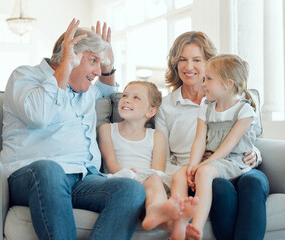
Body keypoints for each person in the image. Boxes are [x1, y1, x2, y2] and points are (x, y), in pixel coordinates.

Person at [0, 19, 145, 240]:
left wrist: (108, 67)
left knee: (131, 190)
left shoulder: (85, 90)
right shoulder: (25, 76)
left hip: (83, 178)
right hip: (33, 177)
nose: (97, 71)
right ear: (70, 56)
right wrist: (64, 69)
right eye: (93, 61)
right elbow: (38, 116)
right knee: (50, 170)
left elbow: (105, 89)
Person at [155, 31, 270, 240]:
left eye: (197, 60)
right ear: (175, 64)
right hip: (200, 172)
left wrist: (255, 153)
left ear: (210, 62)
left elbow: (247, 139)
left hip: (240, 164)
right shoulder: (166, 107)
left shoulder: (240, 100)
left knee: (253, 183)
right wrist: (191, 170)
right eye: (182, 59)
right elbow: (163, 158)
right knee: (220, 188)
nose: (189, 66)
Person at [172, 54, 259, 240]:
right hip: (212, 162)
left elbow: (229, 145)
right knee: (180, 174)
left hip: (234, 161)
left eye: (208, 79)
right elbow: (199, 141)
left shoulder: (244, 110)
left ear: (227, 84)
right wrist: (192, 166)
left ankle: (196, 228)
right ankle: (180, 225)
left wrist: (203, 166)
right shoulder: (206, 108)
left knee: (203, 173)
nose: (203, 84)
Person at [98, 80, 198, 234]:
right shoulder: (107, 130)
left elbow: (158, 170)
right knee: (148, 183)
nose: (127, 99)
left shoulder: (156, 136)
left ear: (151, 111)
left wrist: (145, 179)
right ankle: (168, 220)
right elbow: (111, 164)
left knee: (154, 179)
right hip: (122, 178)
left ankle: (167, 219)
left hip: (150, 183)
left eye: (136, 98)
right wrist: (130, 175)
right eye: (125, 95)